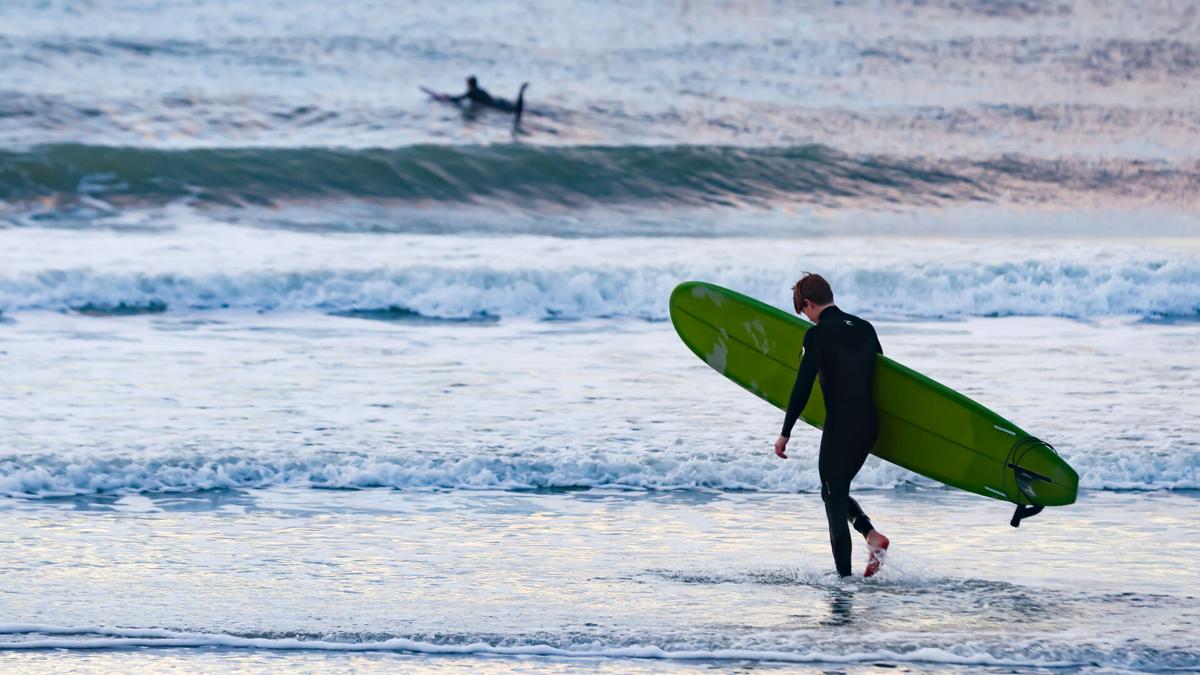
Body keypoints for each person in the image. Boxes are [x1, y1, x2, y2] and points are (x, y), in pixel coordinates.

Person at [773, 273, 890, 578]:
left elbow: (802, 386)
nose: (808, 320)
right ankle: (871, 536)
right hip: (869, 427)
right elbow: (886, 379)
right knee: (833, 492)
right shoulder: (865, 328)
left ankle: (844, 584)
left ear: (808, 304)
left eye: (804, 313)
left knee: (833, 504)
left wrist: (785, 432)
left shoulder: (818, 336)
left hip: (841, 428)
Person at [449, 76, 528, 124]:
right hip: (498, 101)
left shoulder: (471, 92)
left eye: (467, 83)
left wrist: (447, 98)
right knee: (517, 110)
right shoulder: (480, 90)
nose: (466, 84)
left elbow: (459, 99)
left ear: (470, 83)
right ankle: (521, 91)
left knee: (517, 111)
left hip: (494, 105)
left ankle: (521, 91)